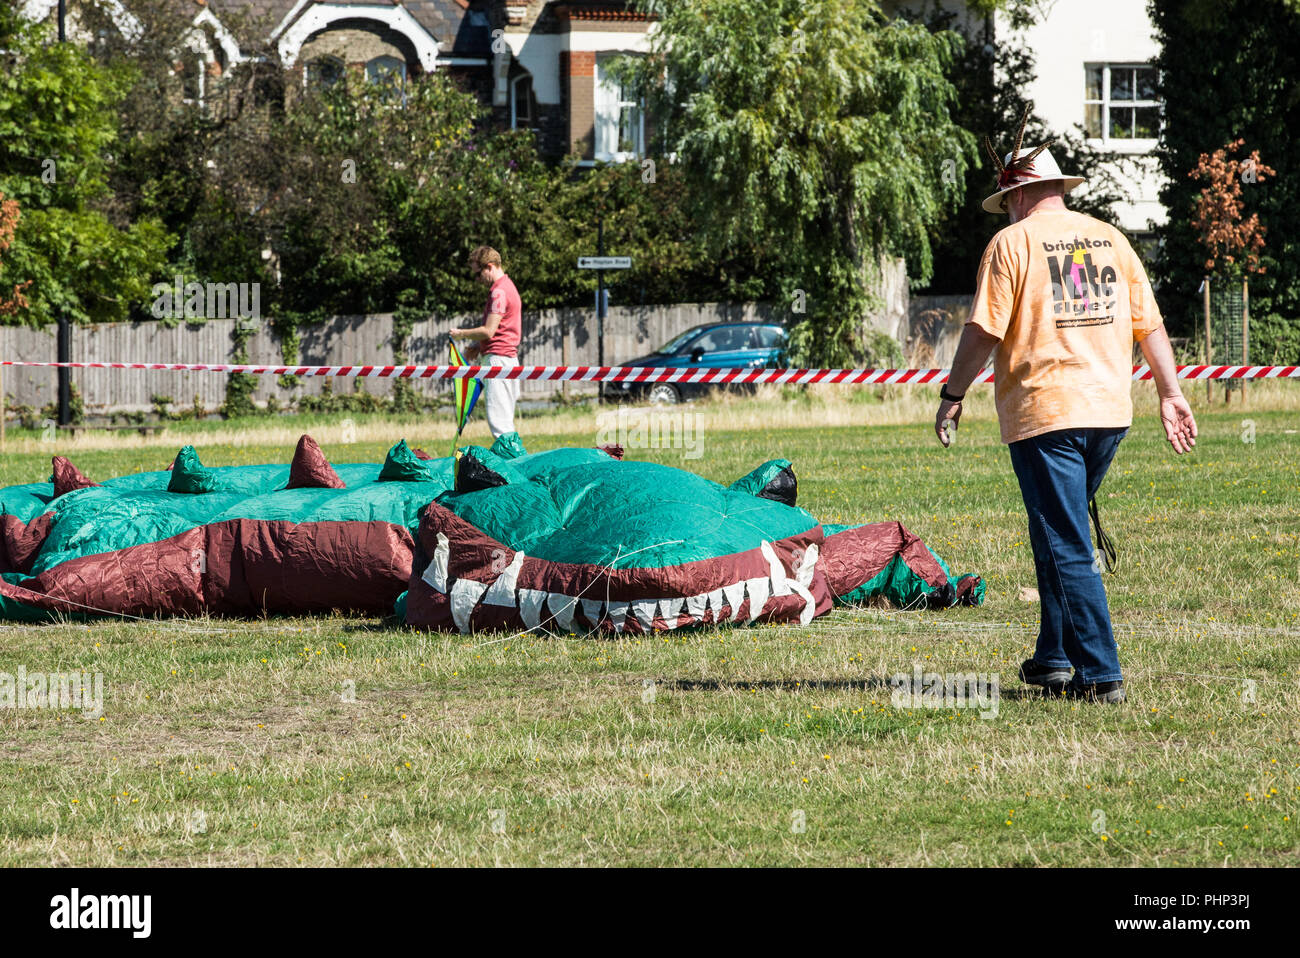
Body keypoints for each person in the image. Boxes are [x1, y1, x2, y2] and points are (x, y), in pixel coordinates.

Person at [934, 112, 1197, 705]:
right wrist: (1169, 390)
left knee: (1066, 540)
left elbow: (981, 331)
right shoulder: (1111, 238)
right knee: (1057, 529)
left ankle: (1101, 675)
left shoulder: (1010, 243)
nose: (1005, 213)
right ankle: (1053, 657)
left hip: (1046, 411)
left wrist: (953, 394)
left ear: (1021, 193)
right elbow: (1148, 324)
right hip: (1109, 411)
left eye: (1006, 202)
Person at [449, 246, 522, 438]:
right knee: (505, 422)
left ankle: (510, 466)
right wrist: (477, 346)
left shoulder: (498, 292)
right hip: (507, 359)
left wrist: (461, 334)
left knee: (500, 425)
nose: (477, 279)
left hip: (498, 362)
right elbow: (498, 329)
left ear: (489, 267)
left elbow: (489, 331)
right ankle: (512, 463)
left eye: (478, 273)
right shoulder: (508, 286)